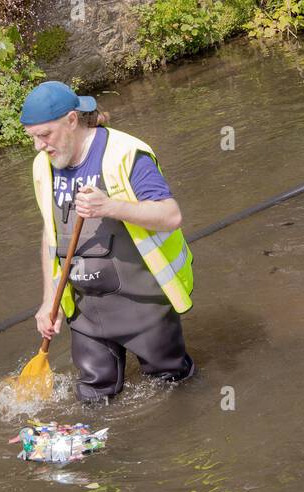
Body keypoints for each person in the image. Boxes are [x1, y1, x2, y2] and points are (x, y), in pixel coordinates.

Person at [20, 81, 195, 402]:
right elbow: (51, 232)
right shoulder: (44, 166)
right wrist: (49, 300)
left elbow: (170, 216)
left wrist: (110, 206)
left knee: (174, 388)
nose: (39, 146)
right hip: (87, 312)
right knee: (92, 399)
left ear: (72, 120)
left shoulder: (125, 154)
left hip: (143, 304)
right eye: (32, 137)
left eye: (45, 135)